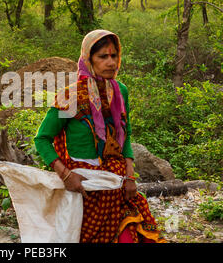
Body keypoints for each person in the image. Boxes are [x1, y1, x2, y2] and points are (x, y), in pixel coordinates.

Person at [34, 29, 165, 243]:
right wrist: (66, 175)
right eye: (103, 57)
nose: (111, 62)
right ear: (88, 59)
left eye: (114, 56)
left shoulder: (120, 91)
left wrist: (130, 175)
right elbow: (42, 139)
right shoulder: (71, 96)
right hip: (84, 188)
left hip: (117, 184)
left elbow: (126, 133)